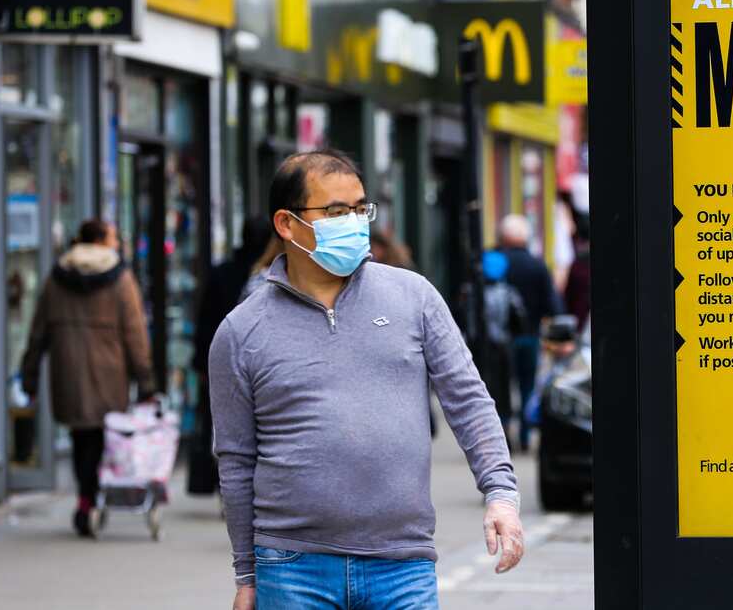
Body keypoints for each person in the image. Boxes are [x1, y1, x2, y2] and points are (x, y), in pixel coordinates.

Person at [210, 149, 523, 610]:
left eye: (361, 209)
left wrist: (501, 494)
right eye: (337, 212)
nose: (355, 223)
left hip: (403, 563)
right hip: (293, 566)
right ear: (286, 224)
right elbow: (236, 460)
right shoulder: (241, 331)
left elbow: (469, 400)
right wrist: (246, 574)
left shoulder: (413, 297)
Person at [20, 218, 156, 537]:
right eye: (113, 237)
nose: (117, 244)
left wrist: (29, 376)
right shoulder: (120, 278)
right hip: (110, 373)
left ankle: (86, 499)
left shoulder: (57, 277)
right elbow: (135, 335)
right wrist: (146, 381)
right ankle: (92, 498)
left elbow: (37, 332)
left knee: (81, 436)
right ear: (100, 241)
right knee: (102, 437)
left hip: (68, 370)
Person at [190, 217, 272, 496]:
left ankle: (225, 481)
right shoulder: (266, 276)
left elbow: (205, 321)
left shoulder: (224, 273)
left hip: (222, 359)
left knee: (225, 426)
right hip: (257, 362)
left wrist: (201, 363)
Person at [495, 214, 562, 452]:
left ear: (503, 237)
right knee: (527, 386)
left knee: (500, 387)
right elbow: (553, 306)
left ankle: (503, 433)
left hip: (499, 339)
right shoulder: (537, 265)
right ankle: (524, 434)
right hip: (530, 336)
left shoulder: (495, 264)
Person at [481, 251, 526, 438]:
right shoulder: (509, 293)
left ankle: (492, 430)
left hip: (484, 349)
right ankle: (505, 428)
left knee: (487, 390)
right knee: (505, 390)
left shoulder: (475, 294)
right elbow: (520, 321)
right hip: (504, 346)